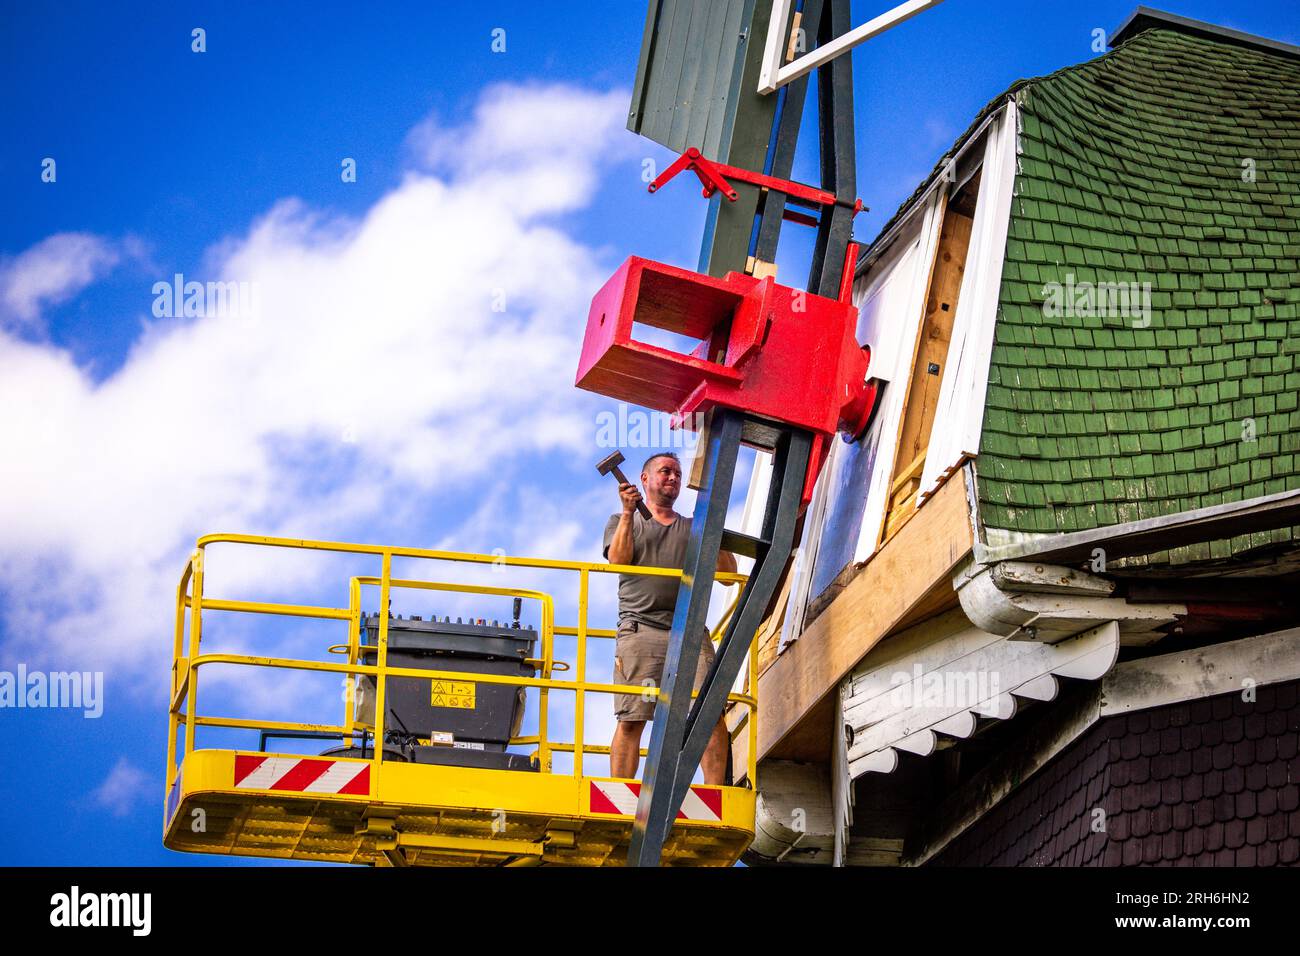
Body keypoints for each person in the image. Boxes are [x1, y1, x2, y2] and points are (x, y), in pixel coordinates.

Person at [602, 451, 738, 785]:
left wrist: (711, 529)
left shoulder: (695, 528)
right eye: (665, 471)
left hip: (690, 633)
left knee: (708, 717)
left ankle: (714, 793)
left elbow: (728, 575)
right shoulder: (625, 522)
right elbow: (618, 562)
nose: (673, 477)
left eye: (677, 473)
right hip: (641, 630)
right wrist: (626, 513)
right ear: (644, 479)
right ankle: (621, 792)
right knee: (633, 717)